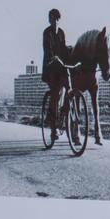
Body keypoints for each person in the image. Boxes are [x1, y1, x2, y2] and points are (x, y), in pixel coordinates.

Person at [40, 9, 70, 141]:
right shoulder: (47, 33)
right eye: (52, 19)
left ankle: (65, 114)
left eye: (57, 19)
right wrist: (54, 58)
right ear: (49, 20)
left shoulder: (62, 32)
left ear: (59, 20)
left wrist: (70, 51)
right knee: (56, 93)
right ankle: (53, 128)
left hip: (61, 67)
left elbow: (63, 48)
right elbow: (47, 49)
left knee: (69, 87)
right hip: (50, 68)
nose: (54, 21)